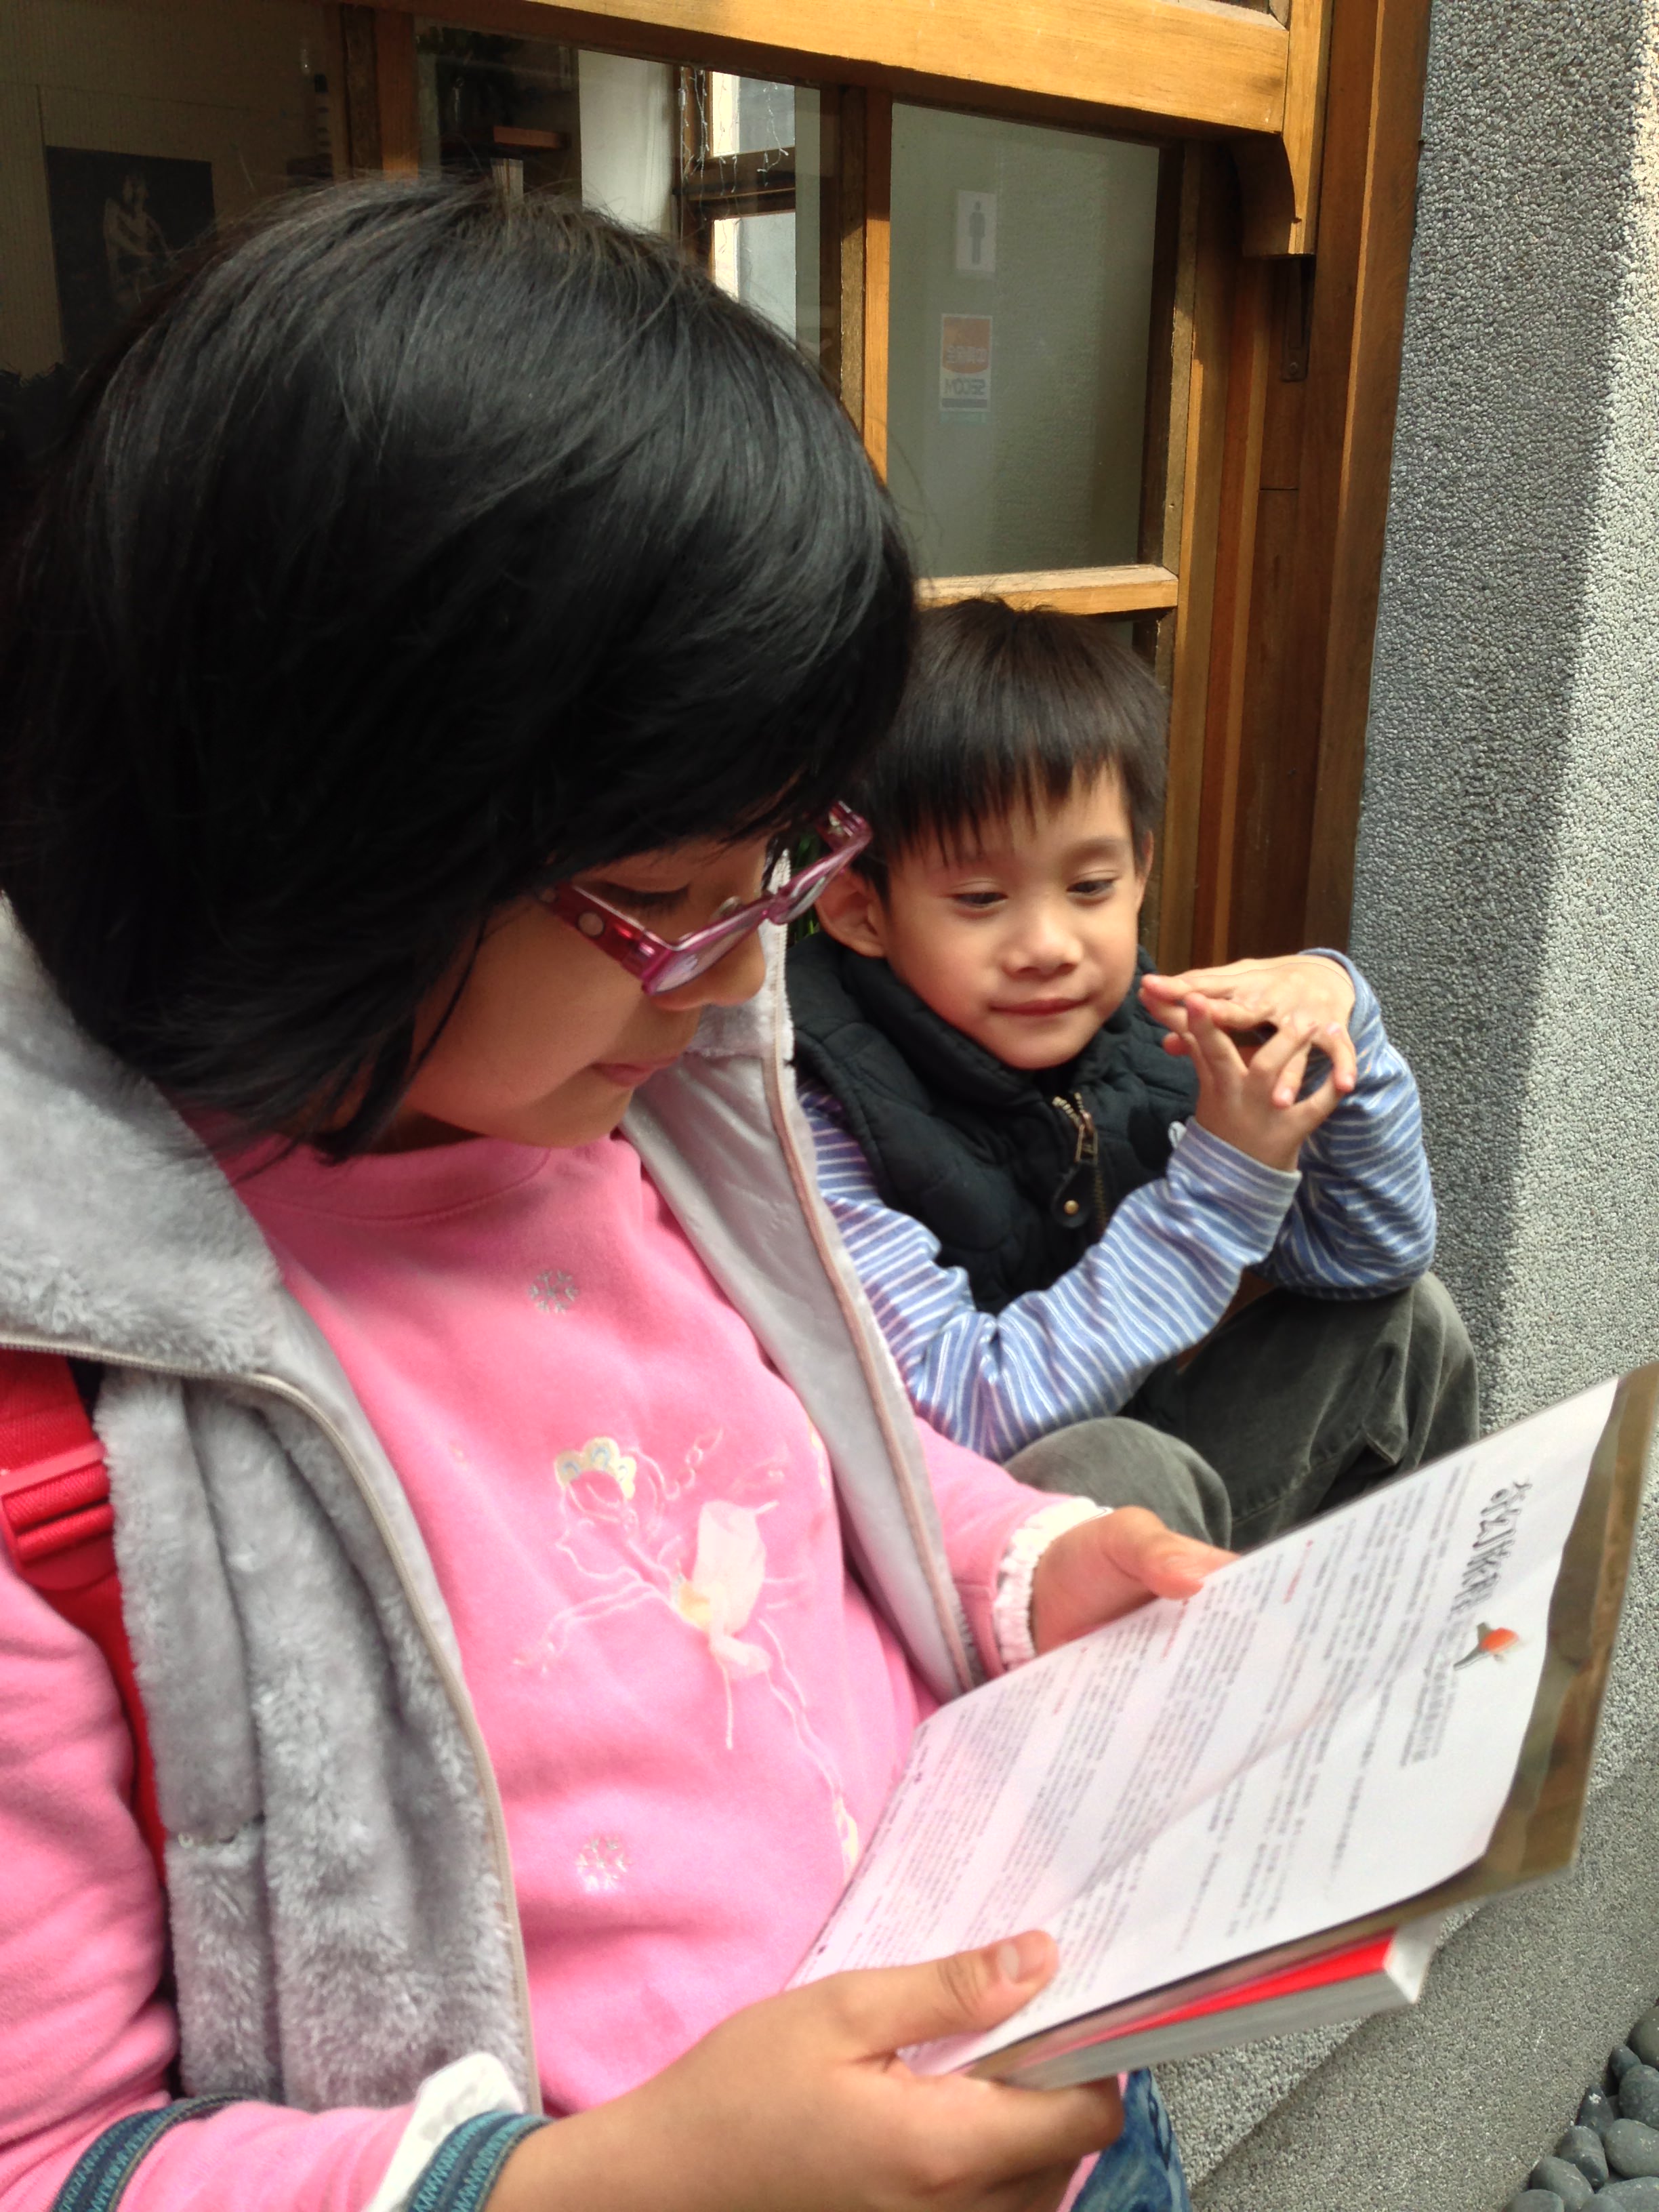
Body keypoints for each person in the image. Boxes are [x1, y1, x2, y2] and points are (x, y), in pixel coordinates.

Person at [0, 182, 1228, 2212]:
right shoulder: (65, 1417)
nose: (739, 981)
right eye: (661, 900)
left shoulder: (621, 1116)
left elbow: (802, 1480)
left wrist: (1028, 1568)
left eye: (779, 871)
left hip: (1038, 2083)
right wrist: (614, 2184)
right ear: (316, 834)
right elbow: (44, 2152)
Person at [789, 600, 1479, 1551]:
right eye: (981, 898)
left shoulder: (1144, 1036)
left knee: (1408, 1326)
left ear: (1142, 870)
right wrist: (1219, 1189)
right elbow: (966, 1408)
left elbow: (1369, 1261)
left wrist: (1339, 1013)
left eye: (1090, 888)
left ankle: (1391, 1629)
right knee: (1115, 1465)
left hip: (1164, 1507)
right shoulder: (819, 1103)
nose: (1049, 945)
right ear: (861, 911)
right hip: (979, 1559)